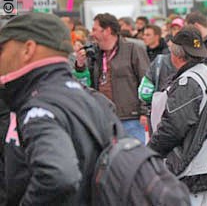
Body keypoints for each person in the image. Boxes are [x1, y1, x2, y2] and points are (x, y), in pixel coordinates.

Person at [0, 13, 122, 205]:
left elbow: (59, 176)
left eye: (2, 49)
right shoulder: (90, 99)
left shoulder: (39, 107)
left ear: (28, 49)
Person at [148, 26, 207, 206]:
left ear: (176, 54)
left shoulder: (188, 81)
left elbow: (174, 127)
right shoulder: (205, 72)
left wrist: (150, 152)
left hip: (197, 167)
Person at [74, 13, 150, 143]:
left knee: (133, 159)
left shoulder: (132, 49)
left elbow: (146, 81)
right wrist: (80, 65)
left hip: (130, 118)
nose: (92, 34)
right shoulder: (95, 54)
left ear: (107, 31)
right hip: (104, 119)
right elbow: (86, 84)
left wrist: (144, 111)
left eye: (95, 30)